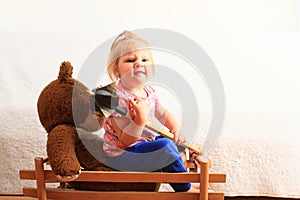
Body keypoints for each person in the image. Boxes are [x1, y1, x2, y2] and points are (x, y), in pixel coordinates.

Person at [101, 30, 198, 192]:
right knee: (165, 147)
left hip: (144, 146)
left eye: (144, 59)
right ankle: (184, 187)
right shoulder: (113, 98)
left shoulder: (149, 91)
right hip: (123, 154)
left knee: (175, 143)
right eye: (130, 60)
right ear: (116, 70)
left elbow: (162, 113)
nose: (139, 63)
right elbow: (125, 140)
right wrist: (139, 120)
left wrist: (175, 128)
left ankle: (183, 177)